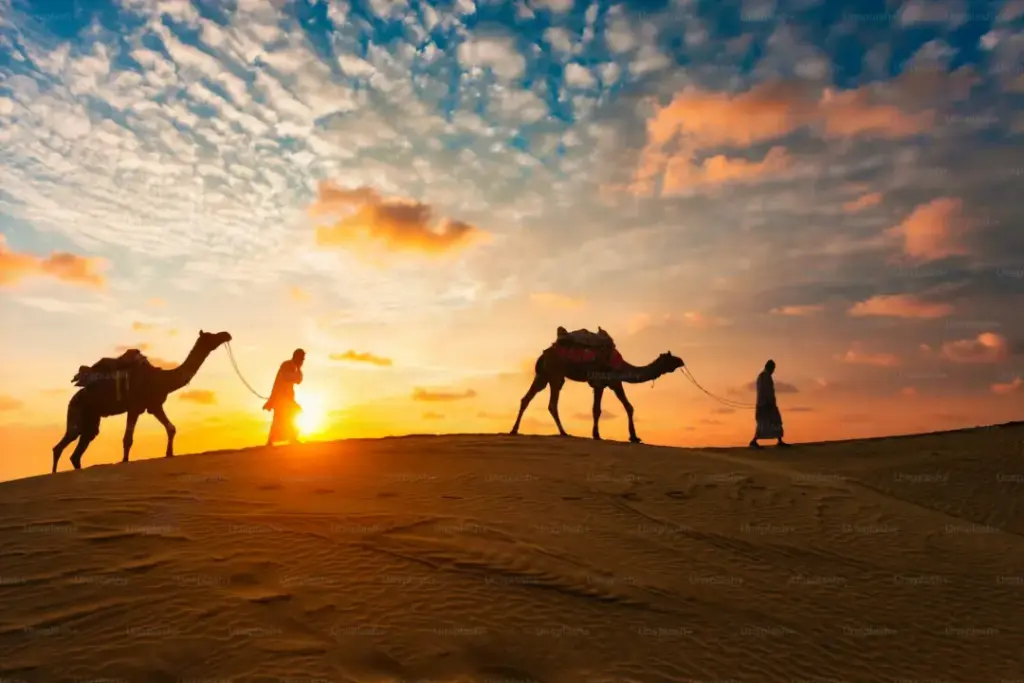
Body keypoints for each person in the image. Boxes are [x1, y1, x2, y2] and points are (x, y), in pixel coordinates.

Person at [264, 348, 305, 446]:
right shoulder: (286, 365)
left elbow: (298, 380)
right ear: (297, 357)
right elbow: (288, 378)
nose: (302, 361)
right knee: (288, 416)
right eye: (302, 359)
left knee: (281, 419)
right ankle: (289, 439)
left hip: (286, 399)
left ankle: (275, 441)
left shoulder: (294, 367)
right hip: (281, 398)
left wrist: (298, 369)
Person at [750, 359, 790, 448]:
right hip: (766, 404)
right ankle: (754, 441)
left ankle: (779, 440)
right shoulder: (765, 376)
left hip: (765, 403)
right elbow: (767, 390)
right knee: (766, 423)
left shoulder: (763, 376)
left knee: (773, 421)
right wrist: (770, 401)